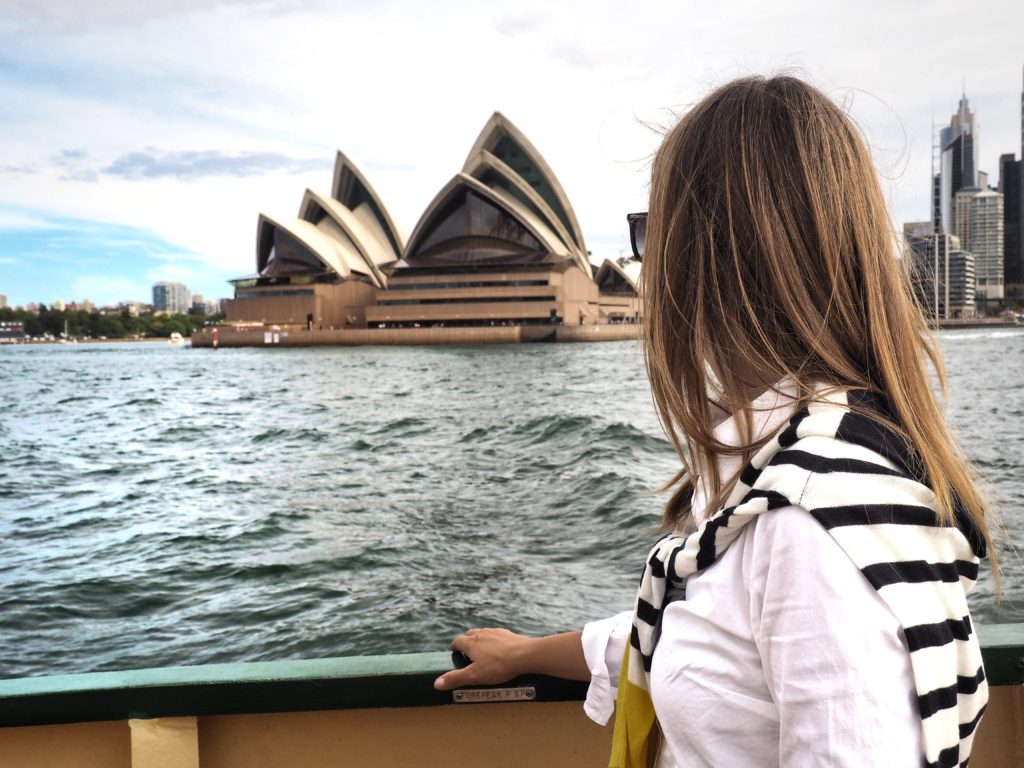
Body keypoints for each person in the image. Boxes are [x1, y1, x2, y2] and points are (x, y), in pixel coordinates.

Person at [434, 75, 998, 768]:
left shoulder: (809, 524)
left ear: (706, 257)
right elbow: (710, 637)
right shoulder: (788, 460)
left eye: (651, 233)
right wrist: (528, 653)